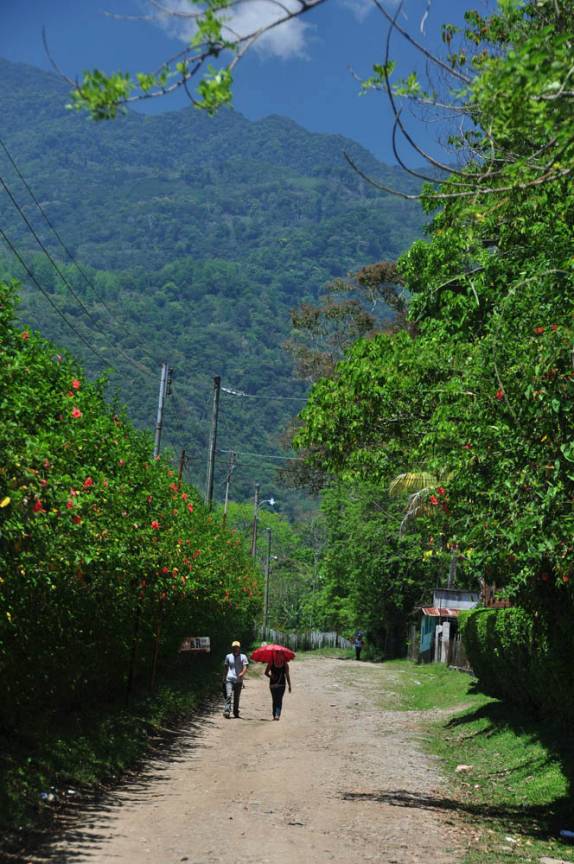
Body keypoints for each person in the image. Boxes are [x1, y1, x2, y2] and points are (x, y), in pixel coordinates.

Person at [223, 640, 248, 718]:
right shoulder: (228, 656)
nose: (235, 648)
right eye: (234, 647)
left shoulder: (243, 656)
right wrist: (224, 677)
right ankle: (227, 711)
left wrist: (242, 673)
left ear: (239, 648)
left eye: (237, 647)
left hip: (239, 680)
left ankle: (236, 712)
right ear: (232, 647)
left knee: (236, 697)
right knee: (229, 695)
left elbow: (245, 666)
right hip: (229, 679)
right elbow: (226, 667)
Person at [264, 650, 291, 720]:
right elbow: (266, 673)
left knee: (279, 699)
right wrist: (271, 676)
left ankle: (277, 715)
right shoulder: (271, 662)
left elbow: (287, 675)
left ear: (283, 655)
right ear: (275, 654)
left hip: (282, 684)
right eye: (277, 653)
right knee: (274, 700)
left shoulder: (285, 664)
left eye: (281, 654)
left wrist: (289, 685)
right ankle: (274, 715)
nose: (279, 655)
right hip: (272, 684)